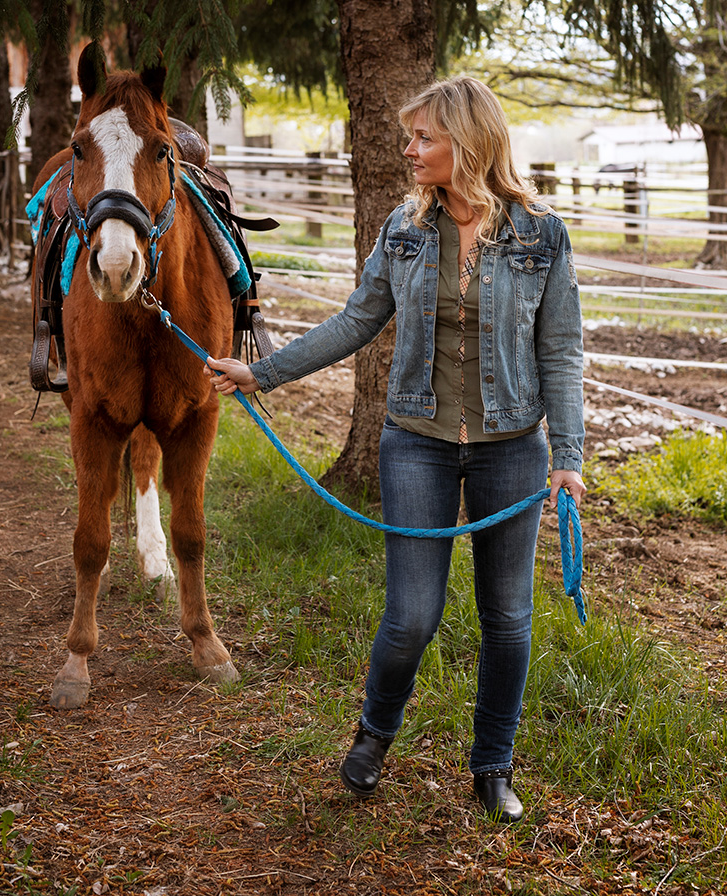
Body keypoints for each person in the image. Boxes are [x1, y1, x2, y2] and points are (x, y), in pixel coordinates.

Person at [205, 77, 585, 824]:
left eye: (423, 137)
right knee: (411, 615)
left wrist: (567, 455)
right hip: (417, 443)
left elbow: (561, 350)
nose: (409, 150)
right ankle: (375, 734)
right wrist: (262, 372)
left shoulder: (542, 235)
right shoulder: (404, 229)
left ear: (466, 143)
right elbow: (356, 321)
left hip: (513, 451)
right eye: (410, 137)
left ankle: (493, 765)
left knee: (508, 617)